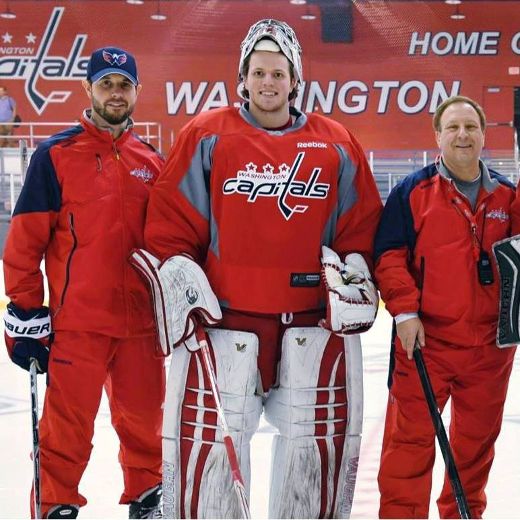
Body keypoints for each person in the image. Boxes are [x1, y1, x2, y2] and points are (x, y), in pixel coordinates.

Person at [136, 19, 382, 519]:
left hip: (311, 325)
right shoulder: (206, 135)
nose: (268, 82)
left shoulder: (336, 143)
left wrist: (355, 269)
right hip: (225, 324)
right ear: (242, 78)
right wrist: (180, 272)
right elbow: (171, 221)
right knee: (209, 471)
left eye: (278, 72)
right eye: (258, 72)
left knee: (310, 465)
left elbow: (359, 226)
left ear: (295, 80)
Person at [3, 47, 165, 519]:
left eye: (124, 84)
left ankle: (148, 498)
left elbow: (171, 242)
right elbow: (25, 243)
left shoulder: (152, 163)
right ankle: (55, 504)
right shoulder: (55, 155)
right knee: (66, 428)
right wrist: (27, 310)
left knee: (145, 424)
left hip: (141, 327)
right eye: (106, 83)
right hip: (78, 324)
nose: (116, 92)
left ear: (136, 91)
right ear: (88, 89)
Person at [374, 95, 517, 519]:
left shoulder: (509, 197)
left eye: (470, 127)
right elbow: (389, 255)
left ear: (483, 135)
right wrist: (404, 311)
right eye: (452, 127)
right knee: (408, 446)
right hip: (425, 343)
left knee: (474, 450)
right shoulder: (412, 192)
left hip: (490, 350)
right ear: (437, 136)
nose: (462, 135)